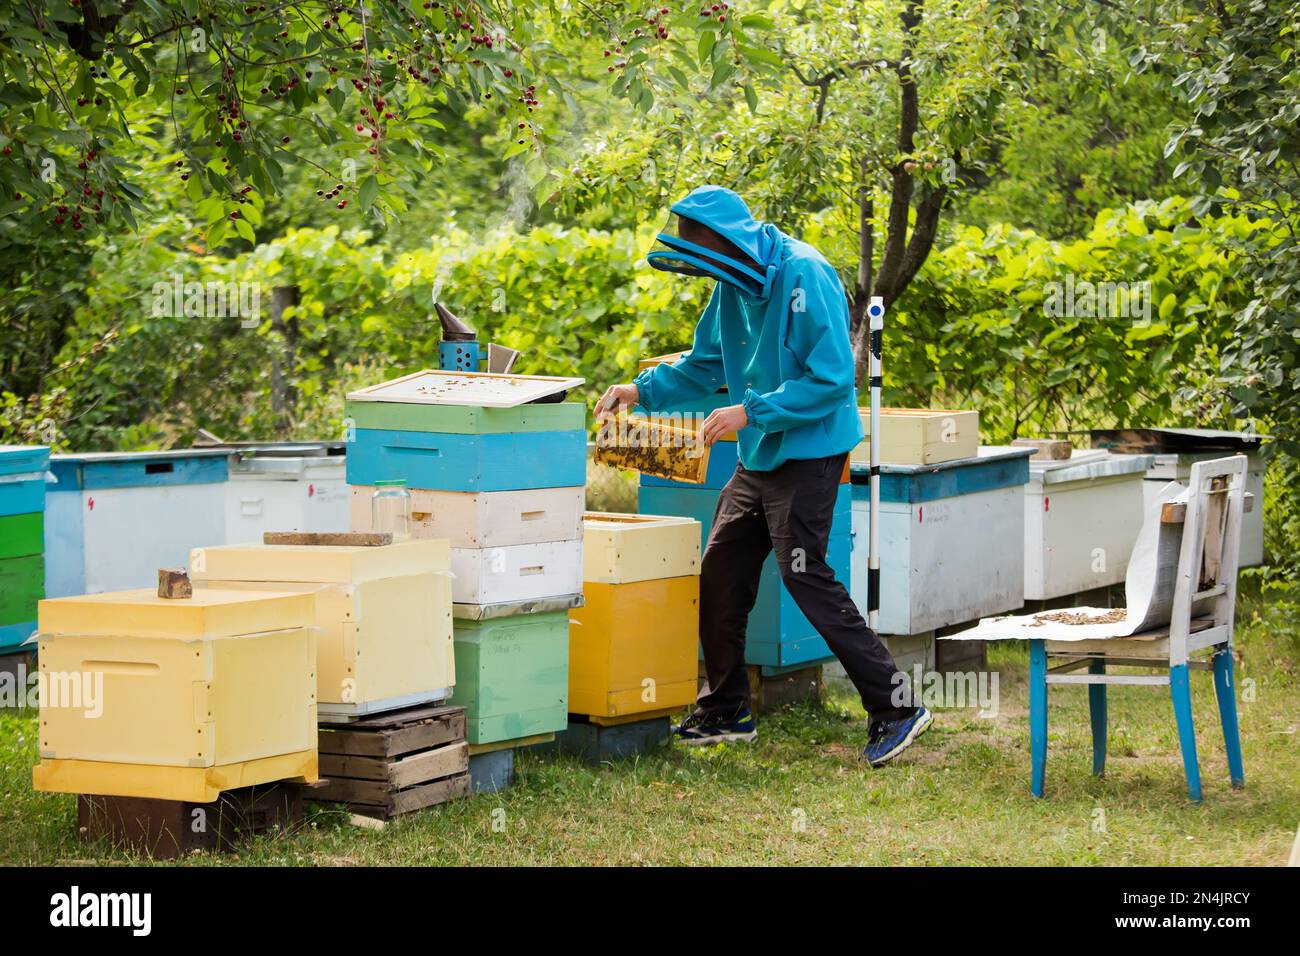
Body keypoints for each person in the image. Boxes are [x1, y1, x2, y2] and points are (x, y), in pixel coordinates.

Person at [595, 185, 932, 766]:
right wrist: (638, 390)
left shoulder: (807, 275)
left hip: (810, 451)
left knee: (806, 577)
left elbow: (833, 379)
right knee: (721, 572)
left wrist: (750, 411)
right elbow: (703, 365)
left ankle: (897, 707)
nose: (709, 277)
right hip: (758, 455)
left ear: (732, 244)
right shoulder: (731, 288)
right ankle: (726, 708)